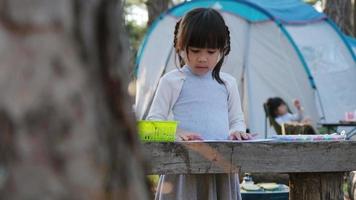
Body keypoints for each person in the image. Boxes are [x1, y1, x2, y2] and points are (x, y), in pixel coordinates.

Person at [147, 7, 251, 200]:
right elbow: (152, 124)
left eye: (211, 51)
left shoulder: (228, 83)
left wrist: (237, 131)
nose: (203, 58)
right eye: (195, 50)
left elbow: (237, 119)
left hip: (220, 168)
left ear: (222, 50)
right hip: (183, 170)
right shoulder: (172, 81)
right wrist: (177, 133)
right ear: (180, 47)